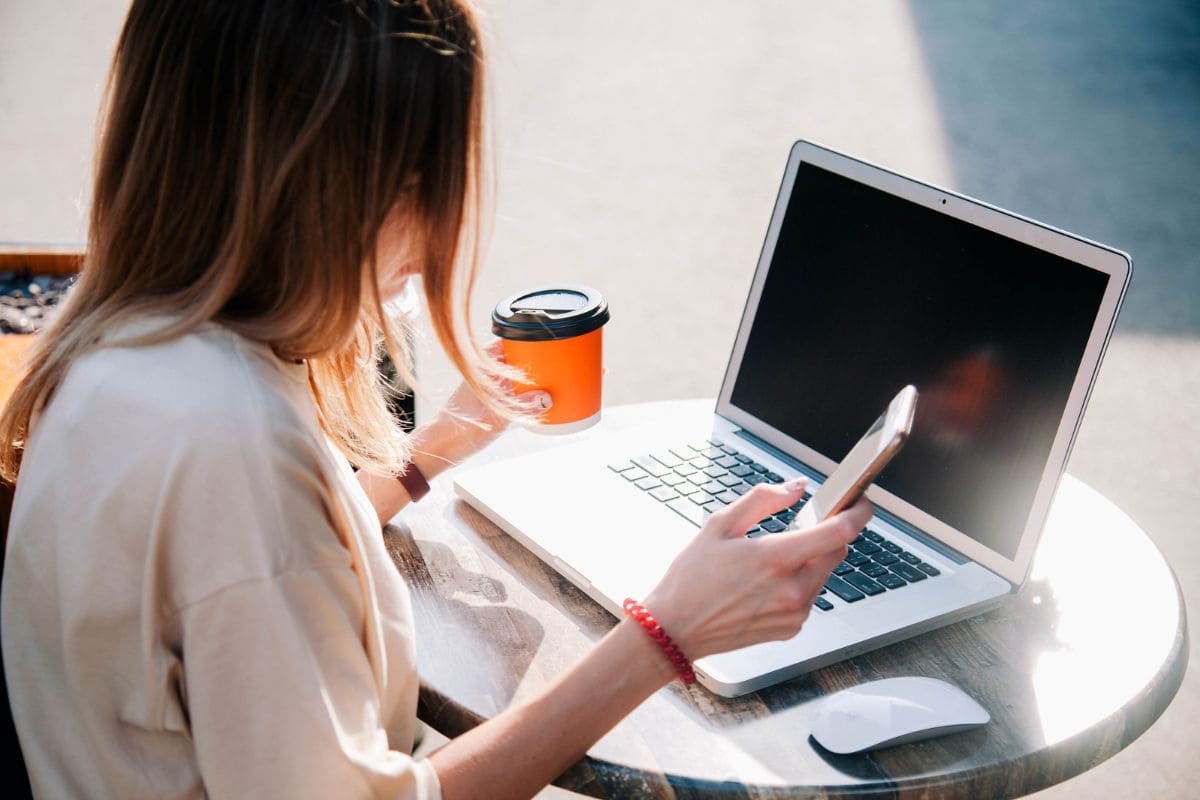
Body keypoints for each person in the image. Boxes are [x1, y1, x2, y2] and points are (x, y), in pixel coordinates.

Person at [0, 2, 870, 798]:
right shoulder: (230, 445)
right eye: (427, 174)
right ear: (336, 188)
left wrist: (433, 452)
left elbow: (249, 580)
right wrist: (666, 634)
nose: (444, 213)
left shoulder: (123, 349)